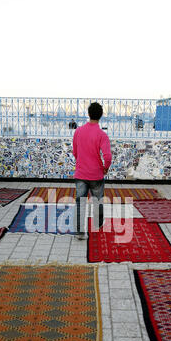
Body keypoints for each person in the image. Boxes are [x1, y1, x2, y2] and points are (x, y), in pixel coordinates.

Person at [72, 102, 112, 240]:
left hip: (81, 173)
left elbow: (75, 152)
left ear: (88, 114)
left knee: (80, 202)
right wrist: (105, 168)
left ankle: (79, 231)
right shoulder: (102, 135)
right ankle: (98, 224)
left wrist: (81, 162)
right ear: (100, 116)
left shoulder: (78, 131)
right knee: (98, 200)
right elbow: (107, 156)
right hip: (96, 174)